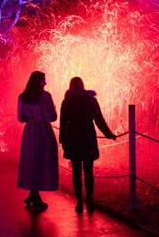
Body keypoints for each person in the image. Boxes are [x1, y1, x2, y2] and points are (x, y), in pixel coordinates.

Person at [59, 77, 117, 214]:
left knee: (76, 172)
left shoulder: (67, 101)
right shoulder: (91, 100)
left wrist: (63, 140)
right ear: (82, 86)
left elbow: (63, 123)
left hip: (73, 139)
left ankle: (79, 201)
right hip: (87, 138)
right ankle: (90, 201)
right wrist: (109, 134)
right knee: (89, 172)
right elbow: (99, 119)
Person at [17, 71, 59, 212]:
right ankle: (35, 197)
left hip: (30, 131)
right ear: (38, 81)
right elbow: (52, 117)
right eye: (43, 80)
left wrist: (31, 117)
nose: (45, 83)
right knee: (42, 161)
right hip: (43, 132)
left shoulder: (22, 97)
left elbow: (21, 118)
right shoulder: (46, 96)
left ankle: (32, 194)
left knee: (31, 161)